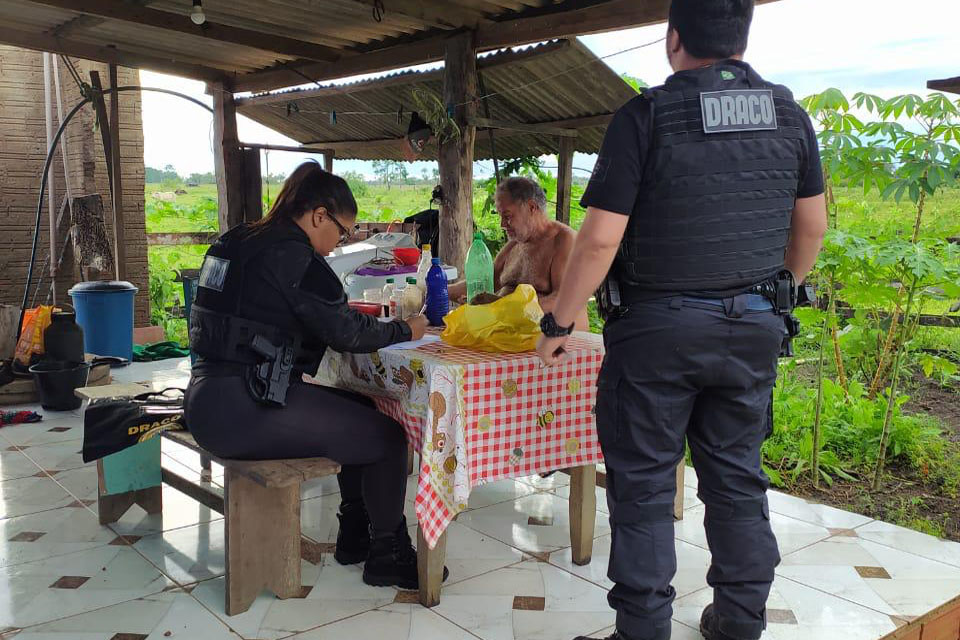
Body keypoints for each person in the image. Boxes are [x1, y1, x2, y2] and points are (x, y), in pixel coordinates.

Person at [535, 1, 828, 639]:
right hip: (752, 329)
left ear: (673, 40)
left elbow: (598, 242)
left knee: (641, 488)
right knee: (736, 480)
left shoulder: (647, 117)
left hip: (656, 334)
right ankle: (739, 622)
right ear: (744, 38)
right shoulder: (788, 115)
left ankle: (642, 630)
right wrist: (775, 294)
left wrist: (559, 325)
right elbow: (811, 227)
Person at [184, 161, 445, 590]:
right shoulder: (294, 256)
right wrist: (407, 329)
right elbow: (346, 332)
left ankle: (355, 535)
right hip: (243, 408)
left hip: (205, 398)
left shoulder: (236, 239)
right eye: (341, 232)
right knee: (389, 438)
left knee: (361, 406)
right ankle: (387, 553)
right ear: (318, 215)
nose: (336, 244)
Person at [449, 176, 590, 330]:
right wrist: (439, 291)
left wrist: (502, 309)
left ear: (531, 207)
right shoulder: (514, 245)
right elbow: (482, 282)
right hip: (513, 336)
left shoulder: (565, 241)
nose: (502, 224)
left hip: (558, 342)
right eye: (501, 217)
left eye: (507, 216)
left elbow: (564, 299)